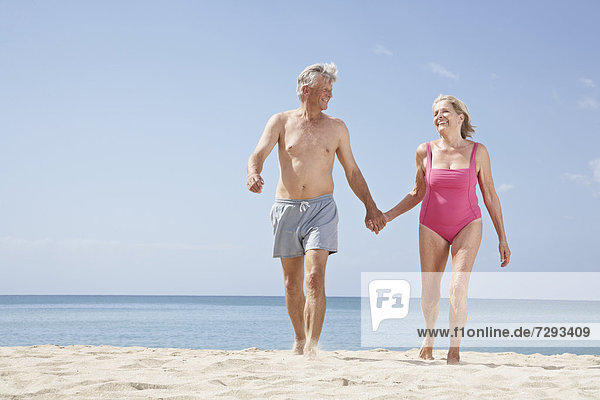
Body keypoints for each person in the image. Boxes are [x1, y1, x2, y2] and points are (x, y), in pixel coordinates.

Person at [246, 63, 387, 358]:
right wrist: (253, 173)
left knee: (314, 277)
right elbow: (257, 155)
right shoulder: (281, 122)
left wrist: (371, 207)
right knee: (291, 283)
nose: (330, 96)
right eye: (325, 90)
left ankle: (312, 345)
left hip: (322, 209)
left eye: (331, 91)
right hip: (286, 209)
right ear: (305, 90)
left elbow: (352, 171)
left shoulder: (337, 127)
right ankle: (298, 339)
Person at [383, 95, 511, 364]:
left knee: (458, 286)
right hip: (431, 225)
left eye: (444, 111)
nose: (438, 116)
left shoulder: (479, 151)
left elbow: (490, 194)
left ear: (460, 117)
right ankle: (428, 340)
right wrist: (387, 216)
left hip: (468, 223)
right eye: (434, 113)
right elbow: (417, 192)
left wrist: (502, 237)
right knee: (430, 292)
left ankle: (454, 348)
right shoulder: (424, 150)